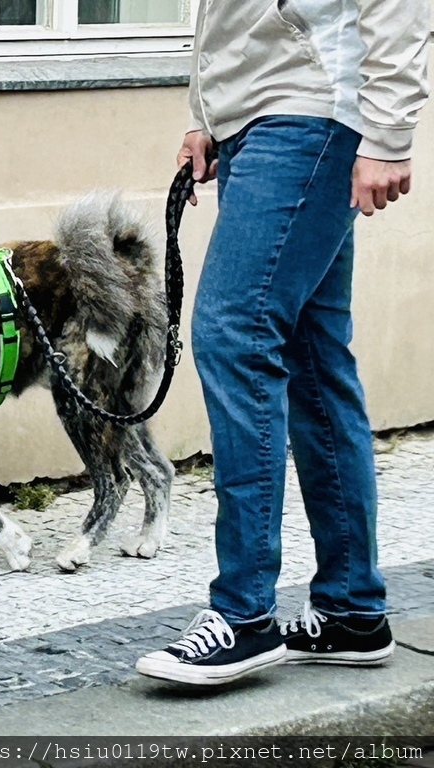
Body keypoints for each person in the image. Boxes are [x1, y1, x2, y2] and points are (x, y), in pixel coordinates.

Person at [136, 0, 430, 686]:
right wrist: (206, 116)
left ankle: (244, 614)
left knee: (233, 335)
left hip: (309, 110)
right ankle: (352, 610)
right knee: (315, 360)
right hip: (260, 114)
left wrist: (388, 132)